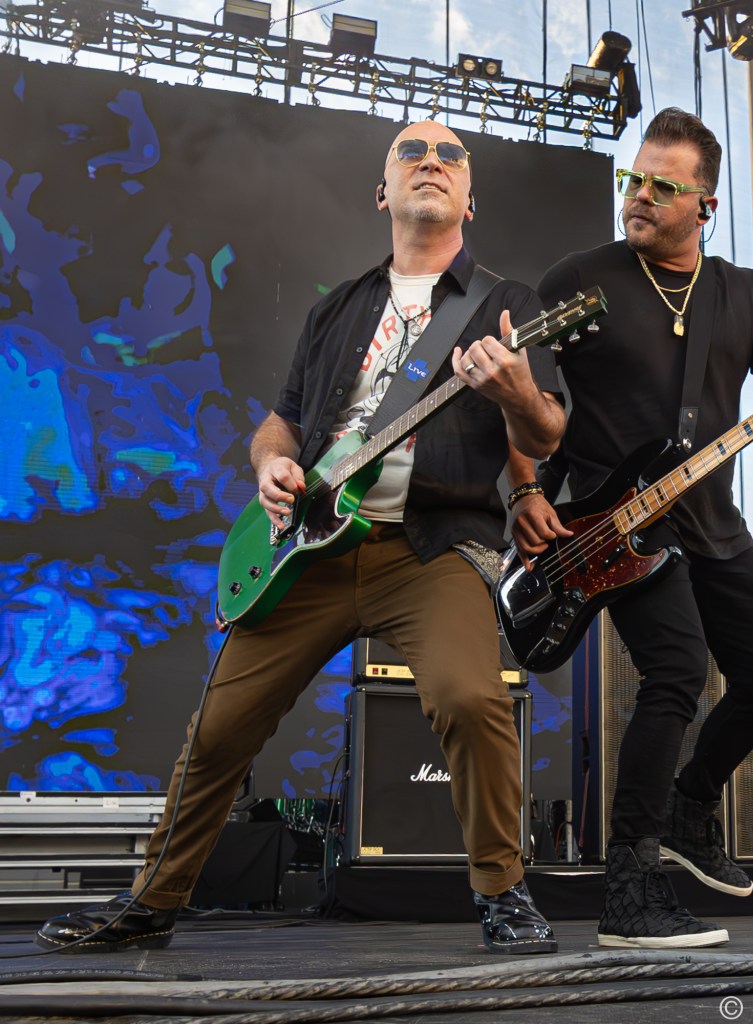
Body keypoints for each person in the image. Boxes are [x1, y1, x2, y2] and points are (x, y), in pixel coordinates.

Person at [37, 120, 565, 956]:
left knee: (472, 700)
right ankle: (152, 901)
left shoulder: (509, 307)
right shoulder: (337, 308)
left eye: (451, 155)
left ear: (471, 198)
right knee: (219, 727)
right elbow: (280, 422)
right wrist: (272, 465)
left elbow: (545, 432)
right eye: (412, 152)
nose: (432, 162)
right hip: (308, 548)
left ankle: (502, 893)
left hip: (430, 547)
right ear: (383, 192)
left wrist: (515, 394)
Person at [507, 108, 753, 949]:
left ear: (705, 206)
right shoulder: (580, 278)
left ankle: (690, 807)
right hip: (612, 525)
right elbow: (523, 397)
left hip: (710, 517)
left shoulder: (747, 294)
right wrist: (523, 488)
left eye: (662, 186)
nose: (638, 195)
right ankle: (629, 893)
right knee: (676, 672)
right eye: (633, 179)